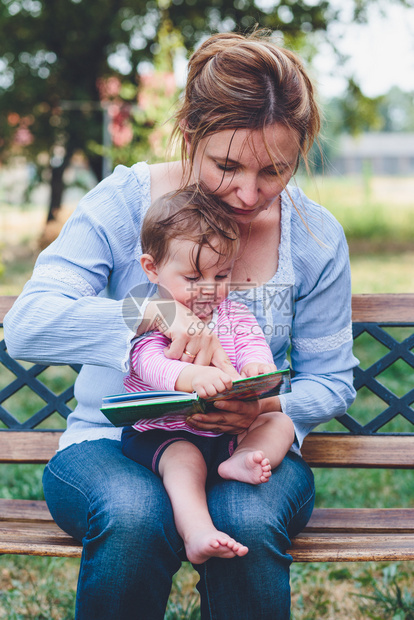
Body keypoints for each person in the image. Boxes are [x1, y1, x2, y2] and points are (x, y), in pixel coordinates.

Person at [3, 29, 358, 620]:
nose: (250, 195)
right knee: (136, 514)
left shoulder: (316, 238)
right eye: (227, 165)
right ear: (190, 136)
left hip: (244, 447)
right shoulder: (122, 204)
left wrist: (265, 410)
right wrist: (152, 312)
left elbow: (331, 379)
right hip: (110, 445)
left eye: (275, 170)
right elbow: (29, 325)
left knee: (247, 514)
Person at [121, 188, 295, 564]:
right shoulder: (154, 316)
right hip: (167, 433)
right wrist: (192, 376)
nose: (209, 289)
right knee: (185, 463)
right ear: (152, 268)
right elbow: (151, 364)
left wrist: (257, 369)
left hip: (228, 433)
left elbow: (251, 343)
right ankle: (197, 530)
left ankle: (246, 458)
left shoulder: (232, 312)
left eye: (221, 275)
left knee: (279, 423)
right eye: (193, 276)